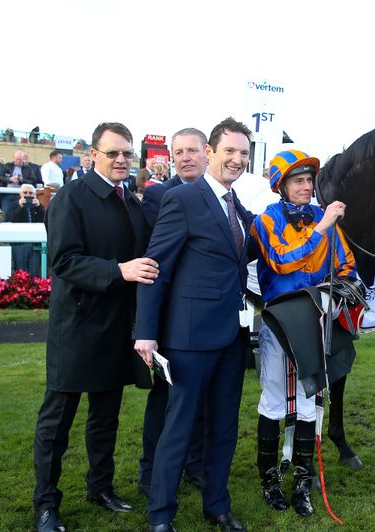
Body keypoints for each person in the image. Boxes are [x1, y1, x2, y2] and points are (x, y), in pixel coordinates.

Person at [33, 122, 157, 532]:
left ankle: (99, 487)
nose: (122, 160)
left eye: (127, 154)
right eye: (113, 153)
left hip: (116, 328)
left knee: (106, 418)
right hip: (76, 328)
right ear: (93, 155)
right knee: (57, 424)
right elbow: (64, 261)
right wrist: (119, 270)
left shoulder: (132, 202)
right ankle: (46, 504)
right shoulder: (71, 198)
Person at [134, 118, 255, 531]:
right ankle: (161, 516)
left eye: (243, 153)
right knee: (179, 430)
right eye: (230, 152)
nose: (236, 159)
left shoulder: (238, 207)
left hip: (232, 338)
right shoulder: (183, 199)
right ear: (210, 153)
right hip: (188, 339)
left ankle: (217, 506)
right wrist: (146, 332)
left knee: (224, 428)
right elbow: (155, 268)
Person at [248, 149, 355, 517]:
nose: (307, 186)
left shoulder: (326, 221)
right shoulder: (265, 221)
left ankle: (302, 483)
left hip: (316, 323)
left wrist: (335, 300)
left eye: (310, 180)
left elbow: (348, 268)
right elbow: (282, 259)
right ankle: (269, 481)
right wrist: (322, 228)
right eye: (299, 180)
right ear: (282, 186)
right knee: (275, 400)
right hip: (279, 324)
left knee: (309, 401)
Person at [136, 128, 210, 497]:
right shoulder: (159, 195)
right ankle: (150, 471)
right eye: (178, 151)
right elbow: (156, 262)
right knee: (164, 397)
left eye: (192, 151)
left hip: (206, 319)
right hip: (171, 317)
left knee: (198, 399)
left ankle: (193, 464)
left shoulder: (220, 196)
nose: (185, 157)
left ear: (206, 153)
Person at [5, 184, 46, 276]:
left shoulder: (37, 205)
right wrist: (20, 206)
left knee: (35, 269)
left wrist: (39, 207)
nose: (28, 195)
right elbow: (10, 218)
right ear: (20, 194)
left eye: (30, 193)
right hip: (19, 242)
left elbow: (45, 219)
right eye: (25, 192)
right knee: (20, 269)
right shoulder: (15, 204)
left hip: (35, 242)